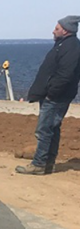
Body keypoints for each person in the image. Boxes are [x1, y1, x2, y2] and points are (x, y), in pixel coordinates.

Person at [16, 16, 80, 175]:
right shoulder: (64, 45)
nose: (53, 31)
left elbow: (65, 74)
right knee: (52, 128)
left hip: (56, 97)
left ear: (65, 30)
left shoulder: (70, 47)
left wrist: (52, 93)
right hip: (55, 95)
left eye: (57, 28)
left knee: (44, 130)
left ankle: (39, 164)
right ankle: (48, 163)